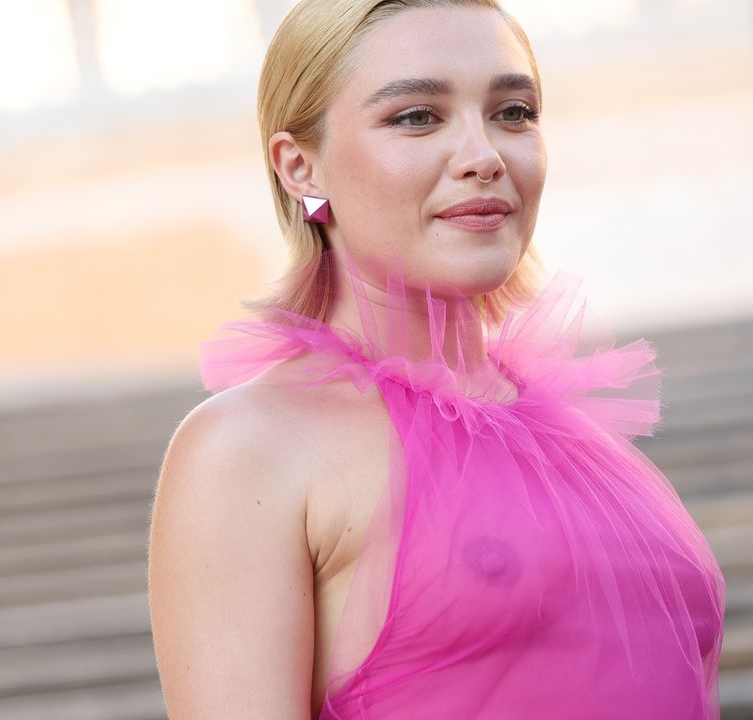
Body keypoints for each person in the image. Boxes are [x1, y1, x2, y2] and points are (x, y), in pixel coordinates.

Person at [145, 1, 727, 719]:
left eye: (513, 111)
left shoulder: (585, 441)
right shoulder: (250, 450)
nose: (484, 155)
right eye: (418, 116)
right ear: (300, 166)